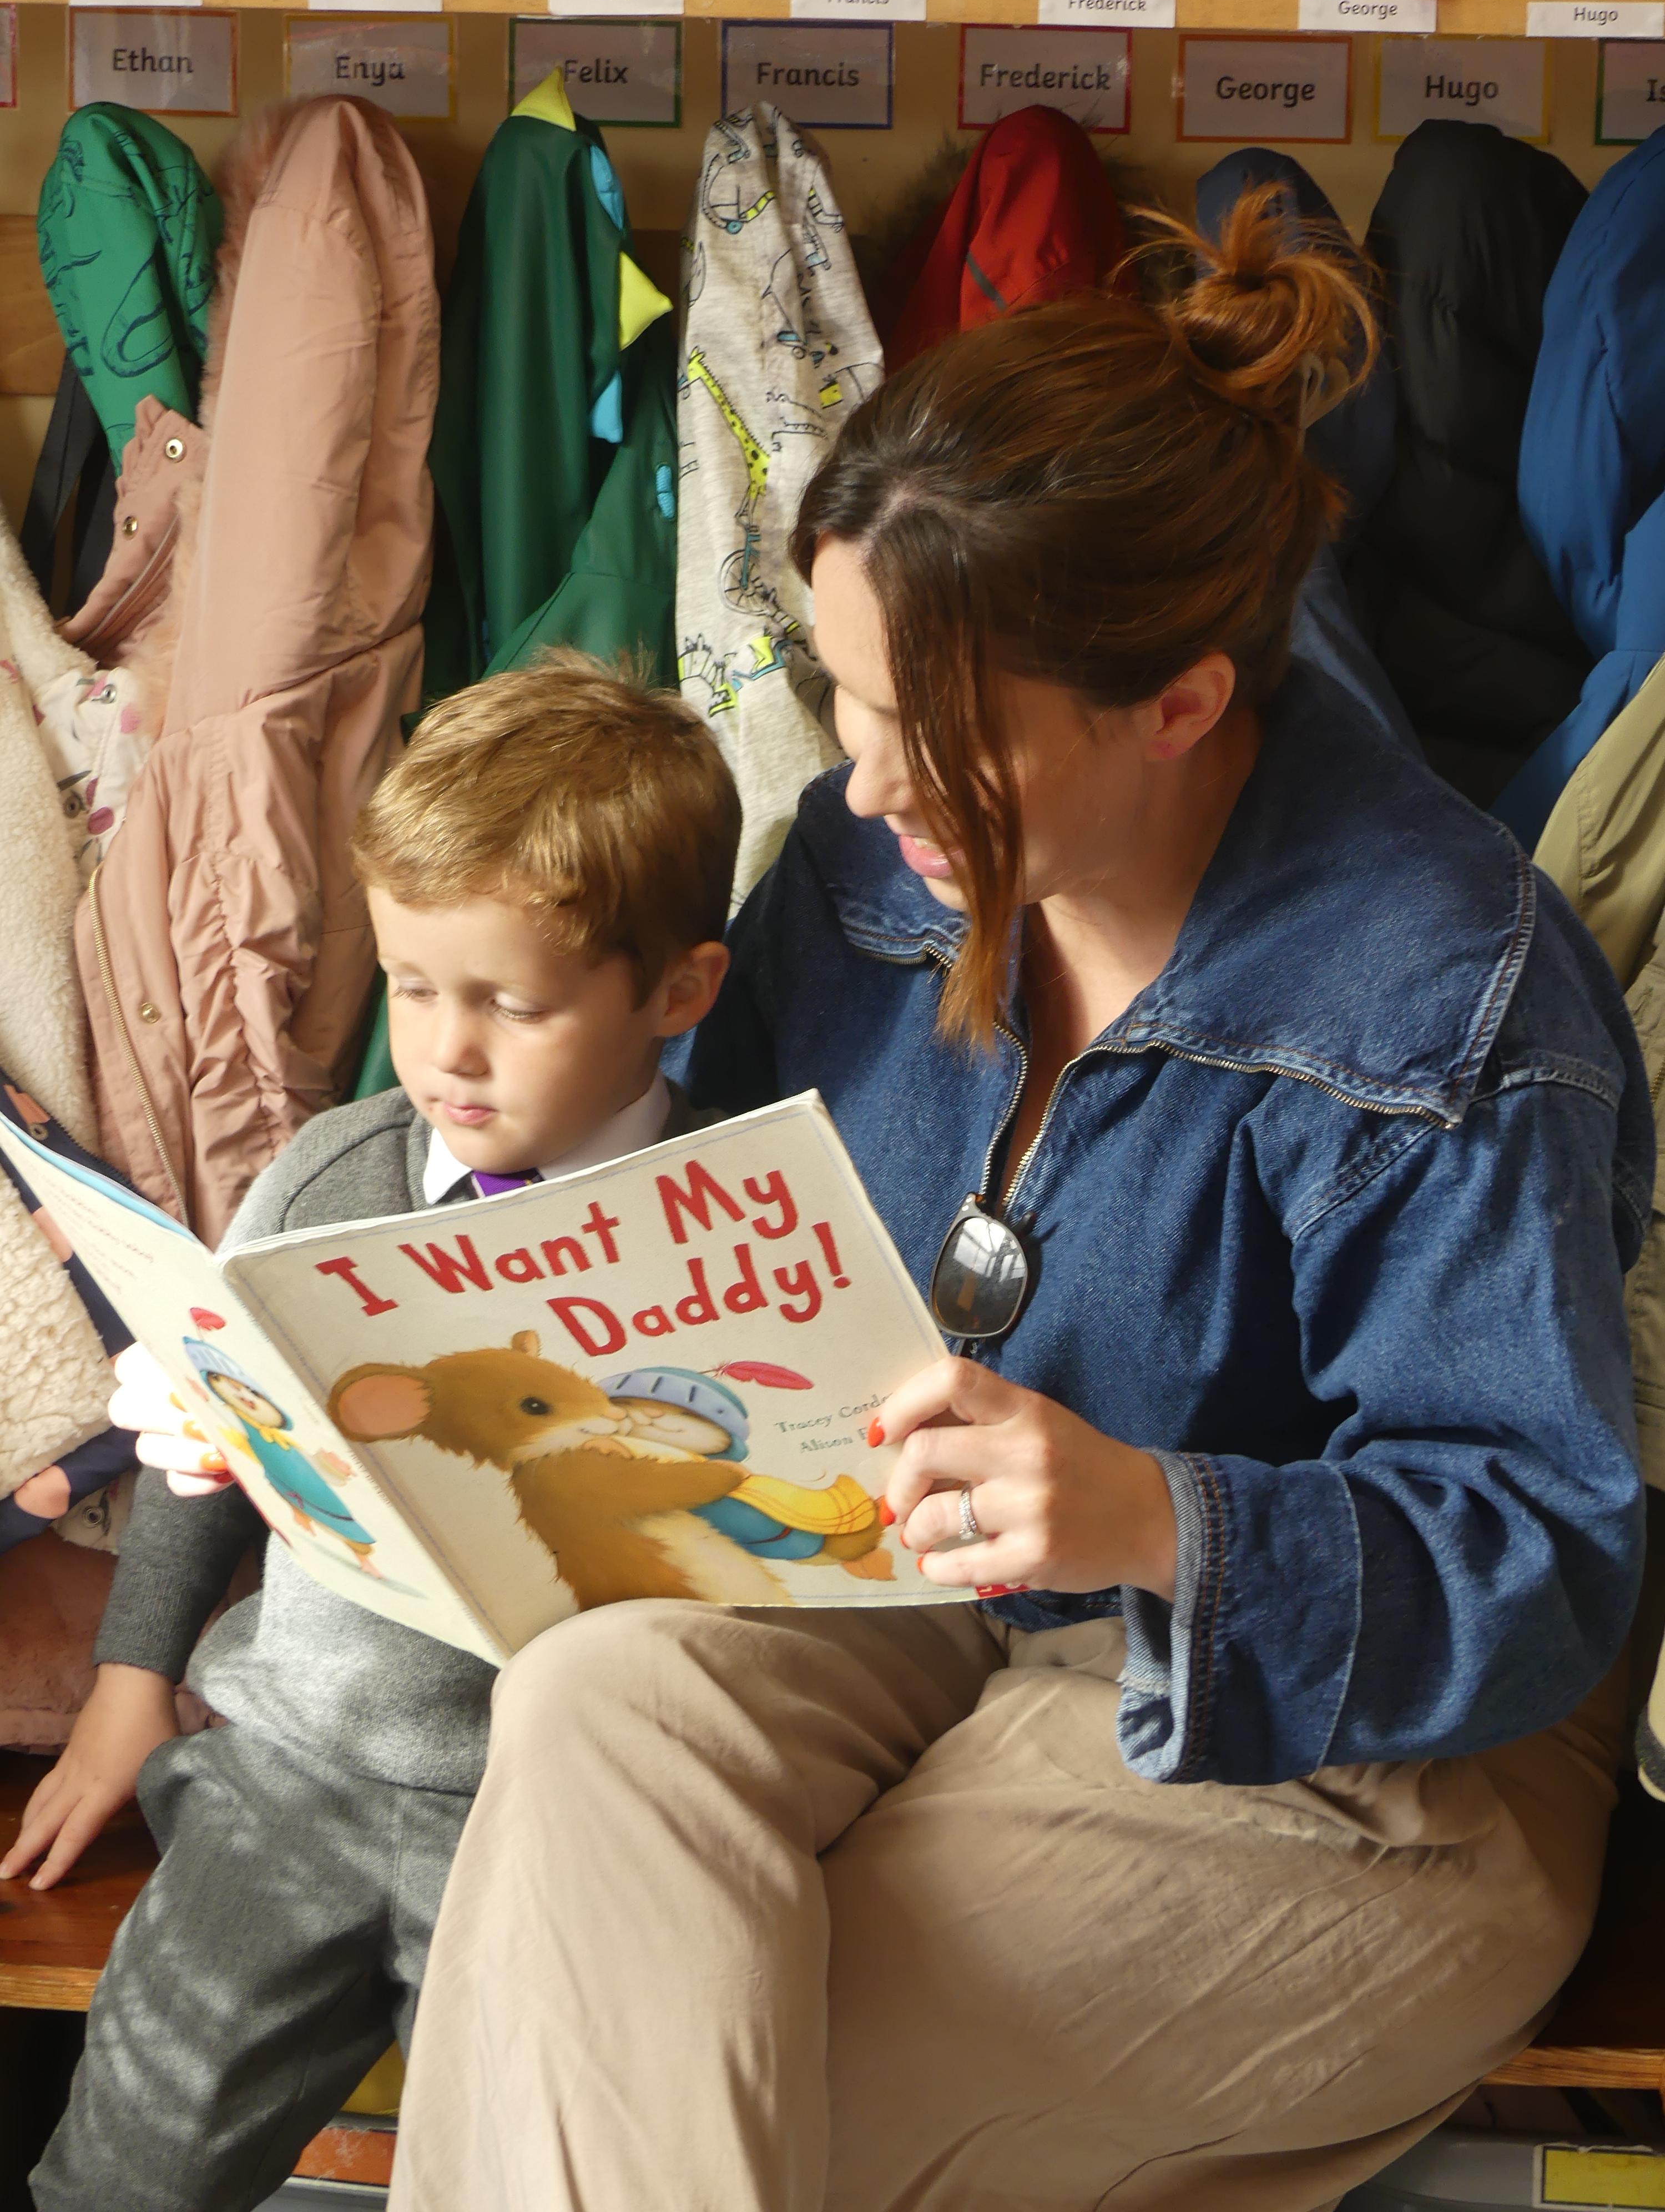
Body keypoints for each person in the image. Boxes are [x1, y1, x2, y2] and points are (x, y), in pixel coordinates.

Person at [383, 194, 1653, 2211]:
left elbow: (1542, 1561)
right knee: (598, 1707)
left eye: (937, 734)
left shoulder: (1447, 1002)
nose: (863, 783)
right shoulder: (878, 854)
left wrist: (1155, 1514)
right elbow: (715, 1200)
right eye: (844, 695)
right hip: (912, 1587)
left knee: (688, 2086)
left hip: (1361, 1750)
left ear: (1181, 705)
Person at [2, 652, 741, 2212]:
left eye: (511, 1005)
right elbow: (217, 1427)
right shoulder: (332, 1170)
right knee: (118, 2172)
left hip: (558, 1813)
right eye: (411, 987)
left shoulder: (735, 1223)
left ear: (679, 993)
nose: (447, 1051)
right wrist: (130, 1688)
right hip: (296, 1769)